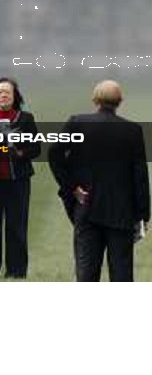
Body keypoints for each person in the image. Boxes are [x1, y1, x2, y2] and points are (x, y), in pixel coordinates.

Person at [48, 80, 150, 282]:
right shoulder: (133, 130)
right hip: (121, 212)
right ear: (119, 101)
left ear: (95, 99)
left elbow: (54, 154)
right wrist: (143, 214)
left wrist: (71, 187)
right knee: (122, 274)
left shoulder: (77, 122)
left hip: (87, 206)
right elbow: (140, 175)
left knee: (86, 273)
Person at [0, 77, 40, 279]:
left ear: (14, 96)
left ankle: (16, 271)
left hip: (18, 181)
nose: (3, 95)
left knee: (17, 227)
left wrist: (19, 153)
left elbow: (36, 148)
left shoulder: (25, 118)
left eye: (7, 92)